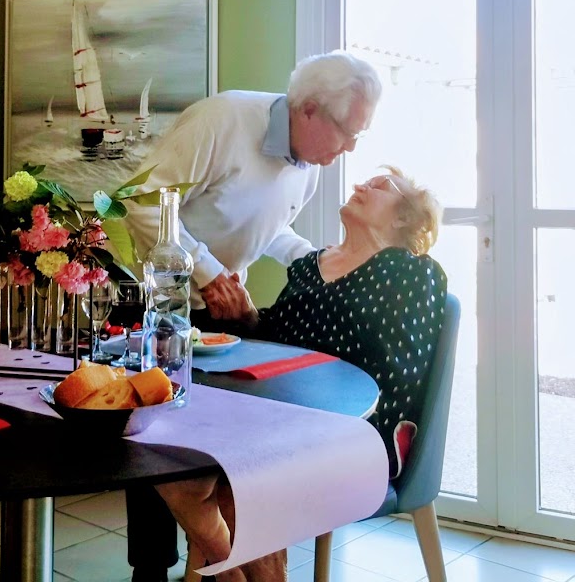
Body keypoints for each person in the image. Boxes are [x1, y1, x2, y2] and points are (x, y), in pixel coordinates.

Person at [122, 52, 382, 582]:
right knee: (151, 437)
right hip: (157, 299)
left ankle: (217, 565)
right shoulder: (222, 120)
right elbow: (142, 202)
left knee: (216, 453)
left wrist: (317, 259)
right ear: (308, 109)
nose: (351, 148)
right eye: (347, 132)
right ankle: (150, 571)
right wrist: (208, 272)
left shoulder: (308, 168)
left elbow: (271, 228)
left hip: (220, 314)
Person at [156, 168, 448, 581]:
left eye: (379, 186)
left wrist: (310, 410)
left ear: (404, 217)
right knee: (171, 459)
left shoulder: (413, 273)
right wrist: (247, 315)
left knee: (244, 484)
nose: (361, 185)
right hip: (279, 421)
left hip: (358, 433)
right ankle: (230, 573)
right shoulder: (309, 266)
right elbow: (276, 337)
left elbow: (399, 378)